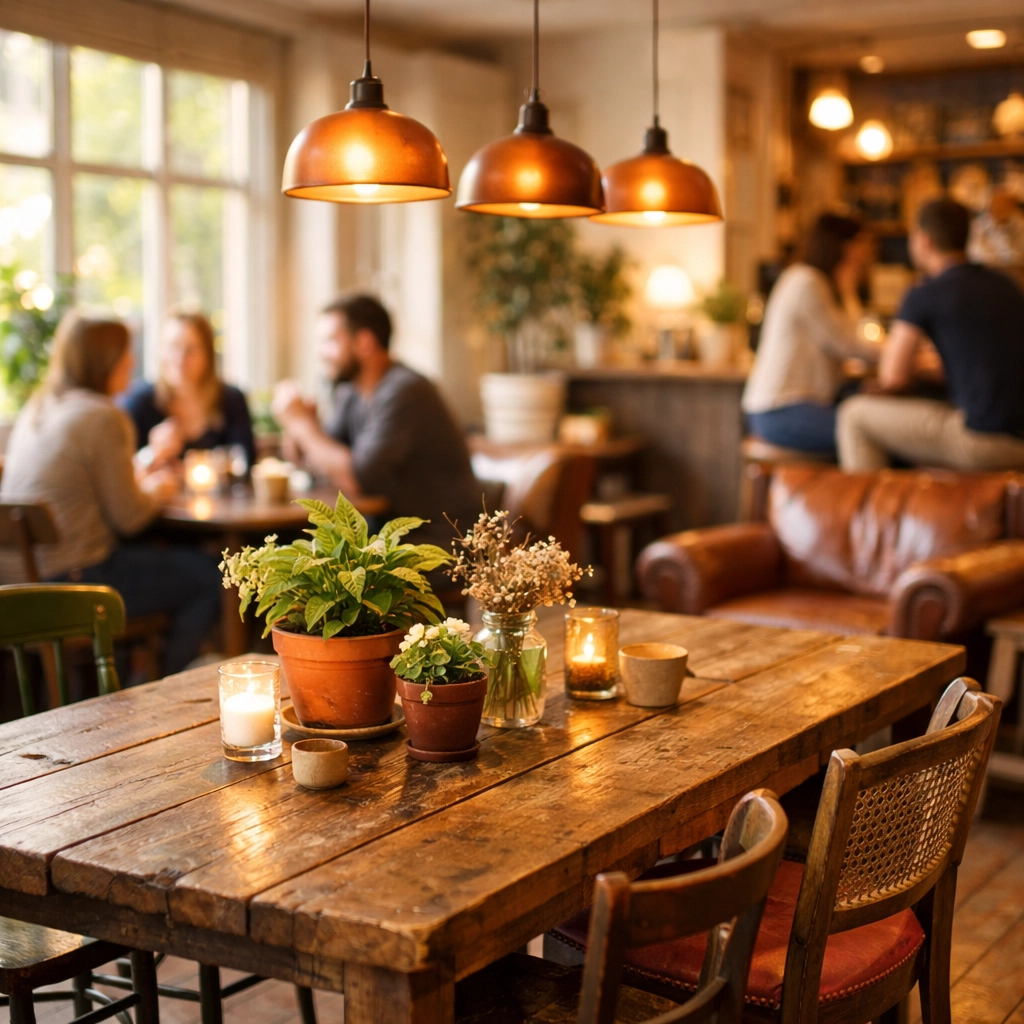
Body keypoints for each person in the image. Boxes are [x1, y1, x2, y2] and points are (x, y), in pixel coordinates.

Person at [0, 312, 223, 676]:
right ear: (106, 360)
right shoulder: (103, 415)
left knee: (162, 561)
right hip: (72, 583)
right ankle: (159, 688)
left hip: (18, 583)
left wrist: (142, 471)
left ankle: (137, 674)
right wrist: (159, 487)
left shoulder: (39, 407)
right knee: (211, 573)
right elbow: (131, 518)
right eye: (125, 353)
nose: (132, 362)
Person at [272, 294, 479, 548]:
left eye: (329, 341)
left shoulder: (406, 391)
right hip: (384, 536)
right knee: (280, 548)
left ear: (365, 342)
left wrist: (303, 426)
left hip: (437, 544)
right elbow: (318, 460)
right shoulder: (353, 392)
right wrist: (299, 425)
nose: (320, 353)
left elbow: (356, 479)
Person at [837, 199, 1024, 472]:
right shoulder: (1006, 284)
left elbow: (892, 376)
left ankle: (870, 514)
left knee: (853, 415)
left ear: (924, 241)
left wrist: (918, 367)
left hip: (983, 440)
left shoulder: (925, 292)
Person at [742, 213, 881, 456]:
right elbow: (847, 344)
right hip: (779, 411)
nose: (868, 251)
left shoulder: (821, 282)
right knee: (870, 433)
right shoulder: (806, 281)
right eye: (861, 242)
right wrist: (905, 353)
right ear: (842, 246)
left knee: (873, 420)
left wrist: (847, 284)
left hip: (798, 406)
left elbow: (850, 335)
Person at [120, 311, 256, 470]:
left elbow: (246, 461)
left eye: (191, 349)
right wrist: (152, 453)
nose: (180, 357)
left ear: (208, 355)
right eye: (172, 346)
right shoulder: (139, 401)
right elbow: (120, 474)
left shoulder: (231, 399)